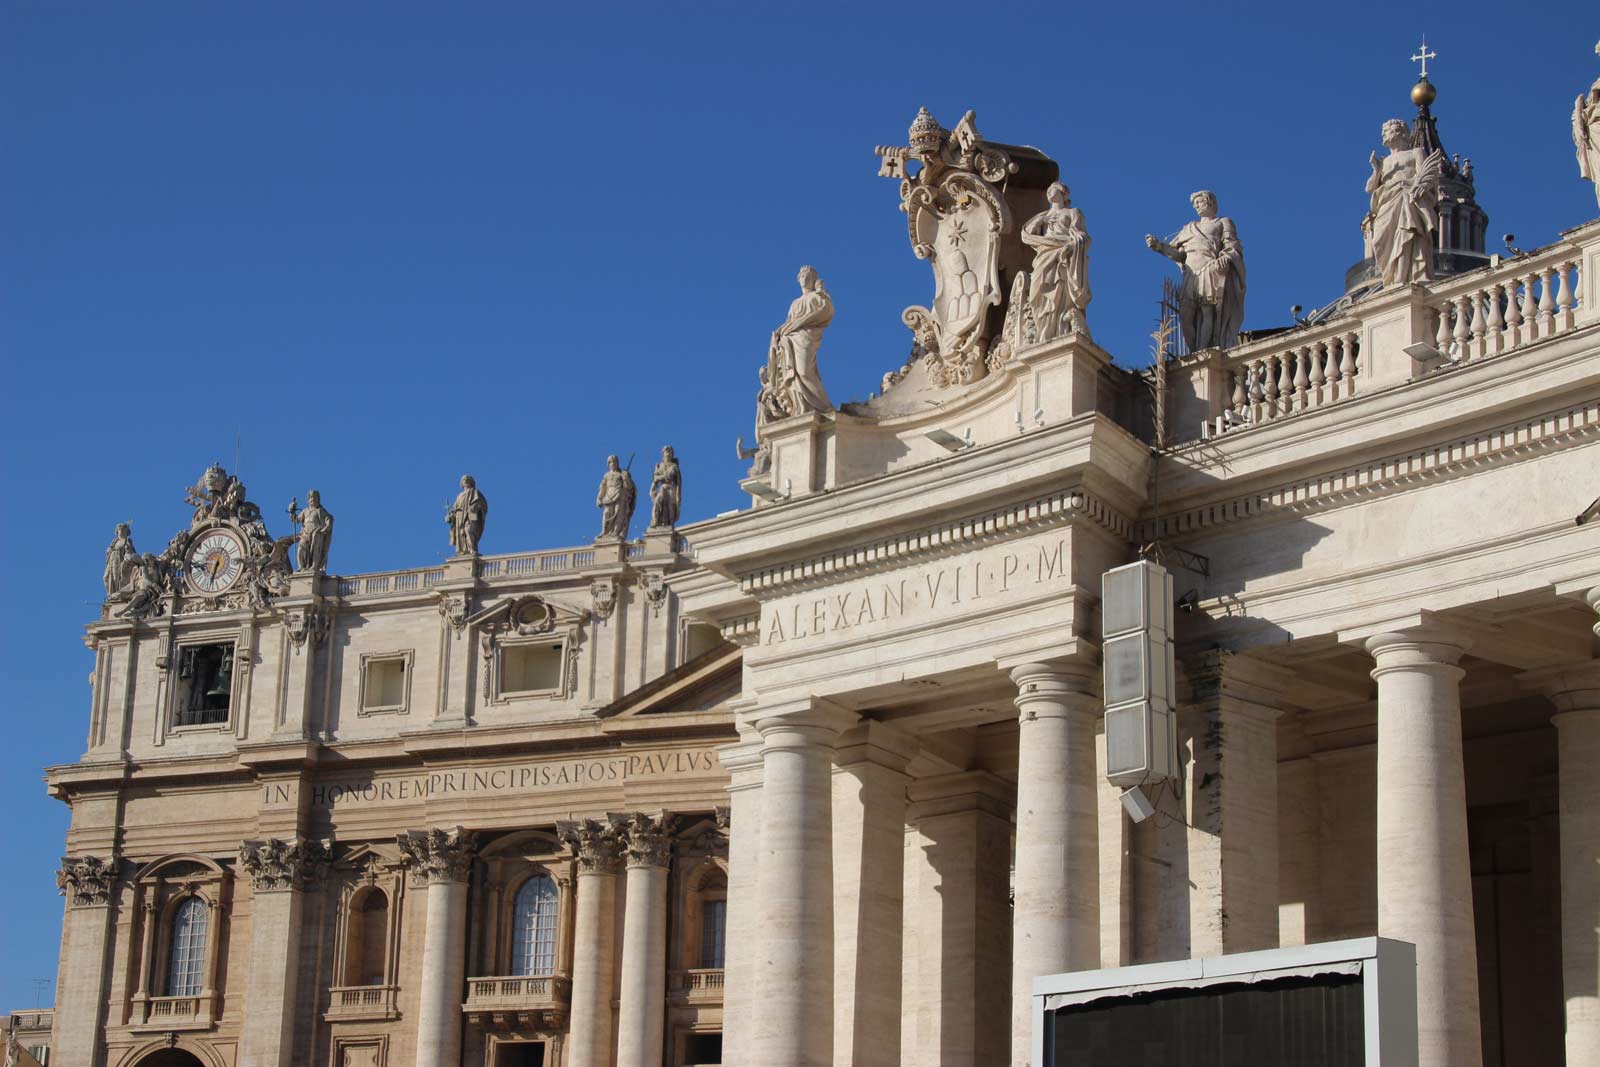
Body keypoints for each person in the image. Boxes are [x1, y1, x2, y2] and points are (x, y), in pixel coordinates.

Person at [1145, 190, 1246, 351]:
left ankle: (1202, 350)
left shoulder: (1223, 222)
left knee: (1207, 311)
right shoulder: (1189, 228)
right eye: (1195, 204)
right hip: (1191, 274)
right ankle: (1194, 351)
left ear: (1210, 202)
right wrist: (1159, 247)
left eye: (1200, 202)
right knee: (1186, 315)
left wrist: (1225, 258)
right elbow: (1179, 255)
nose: (1197, 206)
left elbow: (1232, 246)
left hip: (1209, 270)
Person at [1365, 119, 1444, 288]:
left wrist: (1417, 186)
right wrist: (1376, 169)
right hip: (1387, 202)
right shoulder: (1384, 161)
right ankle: (1392, 276)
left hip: (1408, 198)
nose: (1383, 134)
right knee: (1380, 240)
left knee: (1407, 234)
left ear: (1400, 132)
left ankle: (1402, 277)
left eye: (1388, 131)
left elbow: (1426, 175)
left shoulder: (1416, 152)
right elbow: (1370, 187)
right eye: (1383, 131)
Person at [1020, 182, 1092, 340]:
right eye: (1048, 190)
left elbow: (1083, 237)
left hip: (1062, 254)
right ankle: (1041, 328)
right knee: (1036, 290)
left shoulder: (1073, 212)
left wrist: (1071, 246)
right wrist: (1041, 221)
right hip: (1044, 253)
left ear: (1064, 194)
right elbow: (1027, 235)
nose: (1050, 192)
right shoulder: (1042, 216)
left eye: (1054, 189)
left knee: (1060, 288)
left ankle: (1060, 328)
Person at [763, 266, 835, 419]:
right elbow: (790, 322)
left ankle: (824, 408)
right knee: (794, 374)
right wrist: (778, 332)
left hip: (806, 337)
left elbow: (826, 312)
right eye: (801, 276)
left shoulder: (817, 296)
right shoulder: (795, 303)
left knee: (804, 371)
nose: (804, 279)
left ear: (813, 279)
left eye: (807, 276)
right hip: (790, 338)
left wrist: (824, 295)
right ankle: (800, 407)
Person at [286, 490, 334, 573]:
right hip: (305, 534)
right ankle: (301, 567)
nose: (312, 499)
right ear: (308, 500)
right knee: (301, 549)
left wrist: (326, 527)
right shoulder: (305, 511)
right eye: (311, 497)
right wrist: (291, 512)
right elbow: (296, 520)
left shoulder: (320, 510)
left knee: (315, 549)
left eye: (314, 497)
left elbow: (329, 519)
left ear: (318, 499)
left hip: (317, 533)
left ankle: (314, 566)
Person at [595, 455, 636, 540]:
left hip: (620, 496)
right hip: (609, 496)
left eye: (614, 462)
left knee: (619, 514)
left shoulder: (622, 473)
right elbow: (603, 488)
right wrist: (599, 498)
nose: (613, 464)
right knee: (606, 513)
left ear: (617, 463)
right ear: (608, 464)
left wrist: (626, 478)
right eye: (611, 462)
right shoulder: (606, 475)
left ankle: (616, 532)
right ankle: (605, 531)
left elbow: (629, 487)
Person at [446, 475, 488, 555]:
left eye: (467, 479)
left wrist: (473, 507)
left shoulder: (475, 492)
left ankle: (472, 550)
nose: (465, 480)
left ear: (471, 482)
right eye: (463, 479)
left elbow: (482, 503)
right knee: (461, 533)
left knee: (469, 530)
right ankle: (463, 551)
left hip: (471, 515)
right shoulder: (459, 496)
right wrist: (451, 516)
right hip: (460, 516)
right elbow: (454, 508)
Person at [649, 446, 682, 528]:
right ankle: (655, 521)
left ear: (672, 454)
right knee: (657, 503)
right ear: (663, 454)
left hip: (671, 488)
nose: (668, 454)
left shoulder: (674, 466)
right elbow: (655, 478)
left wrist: (659, 477)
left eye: (670, 452)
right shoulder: (660, 466)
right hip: (663, 487)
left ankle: (669, 524)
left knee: (670, 507)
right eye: (666, 452)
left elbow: (670, 476)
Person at [103, 523, 139, 597]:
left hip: (120, 560)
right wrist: (109, 550)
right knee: (106, 577)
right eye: (119, 529)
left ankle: (116, 595)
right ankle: (111, 594)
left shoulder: (127, 540)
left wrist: (127, 549)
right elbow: (108, 552)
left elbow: (131, 552)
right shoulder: (114, 541)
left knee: (117, 577)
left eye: (123, 529)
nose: (120, 531)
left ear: (126, 531)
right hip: (112, 560)